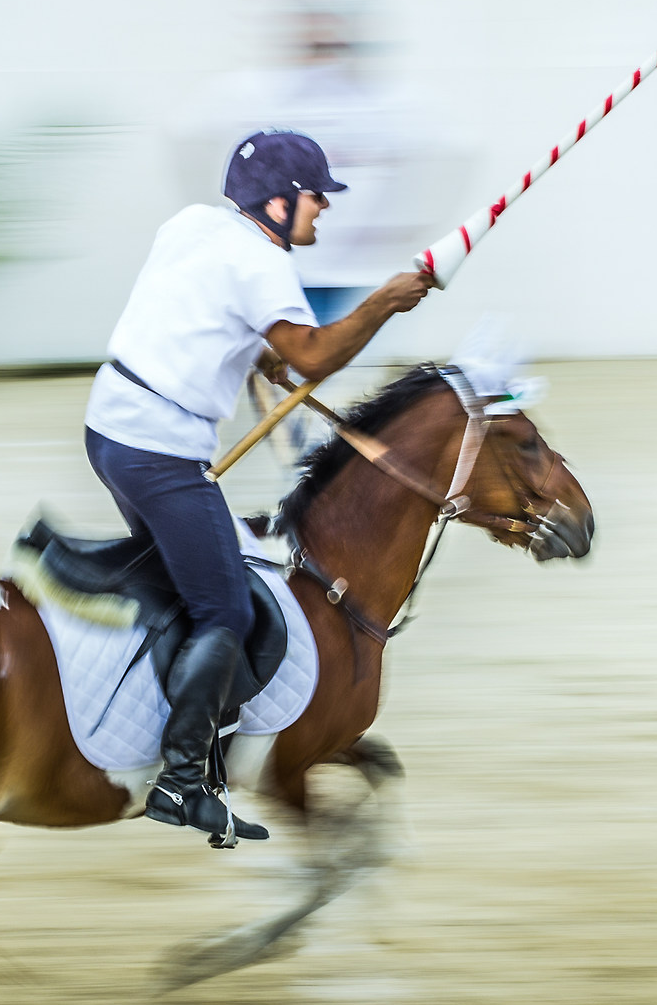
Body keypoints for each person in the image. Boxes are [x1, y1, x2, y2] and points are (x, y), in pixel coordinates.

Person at [84, 131, 435, 844]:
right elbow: (313, 357)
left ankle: (179, 715)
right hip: (160, 454)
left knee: (190, 585)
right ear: (278, 203)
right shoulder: (264, 263)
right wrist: (384, 303)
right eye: (316, 197)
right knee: (225, 609)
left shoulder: (193, 225)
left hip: (109, 431)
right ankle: (183, 780)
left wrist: (255, 350)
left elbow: (197, 313)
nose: (323, 209)